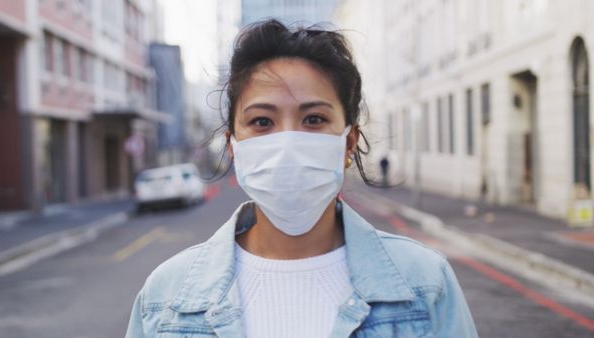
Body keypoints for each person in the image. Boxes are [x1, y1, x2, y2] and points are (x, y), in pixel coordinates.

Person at [125, 19, 478, 338]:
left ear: (349, 142)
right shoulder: (164, 298)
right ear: (233, 145)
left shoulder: (425, 282)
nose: (288, 145)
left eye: (313, 120)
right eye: (262, 122)